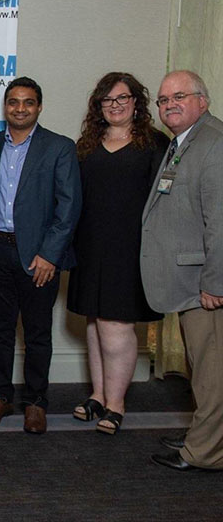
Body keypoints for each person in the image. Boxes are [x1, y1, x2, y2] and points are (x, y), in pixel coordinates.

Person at [0, 76, 81, 434]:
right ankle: (0, 396)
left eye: (28, 102)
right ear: (5, 107)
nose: (20, 109)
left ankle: (36, 402)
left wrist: (50, 256)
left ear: (39, 107)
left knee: (37, 334)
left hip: (38, 258)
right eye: (13, 102)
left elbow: (68, 207)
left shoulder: (59, 147)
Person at [67, 72, 169, 434]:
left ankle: (116, 404)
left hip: (131, 249)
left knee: (115, 326)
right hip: (90, 245)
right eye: (107, 100)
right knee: (94, 324)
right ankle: (98, 395)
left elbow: (166, 201)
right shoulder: (87, 144)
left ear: (136, 103)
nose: (115, 106)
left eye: (122, 99)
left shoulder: (156, 144)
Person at [143, 71, 223, 471]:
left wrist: (216, 282)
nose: (169, 104)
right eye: (162, 99)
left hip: (207, 286)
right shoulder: (187, 141)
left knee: (212, 375)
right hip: (191, 282)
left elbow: (221, 223)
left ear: (202, 100)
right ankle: (203, 436)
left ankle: (205, 453)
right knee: (203, 368)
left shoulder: (214, 144)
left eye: (179, 96)